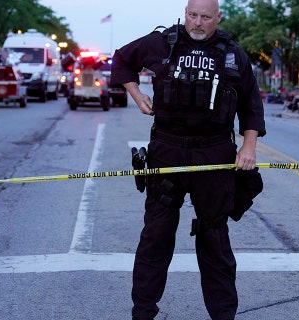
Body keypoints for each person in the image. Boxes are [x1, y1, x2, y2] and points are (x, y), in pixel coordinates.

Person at [110, 0, 266, 319]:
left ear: (218, 18)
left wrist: (248, 147)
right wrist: (137, 95)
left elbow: (251, 105)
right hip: (167, 151)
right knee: (156, 235)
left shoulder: (233, 54)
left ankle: (223, 315)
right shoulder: (162, 43)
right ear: (185, 14)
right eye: (192, 15)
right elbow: (122, 60)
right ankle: (142, 312)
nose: (197, 22)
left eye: (205, 17)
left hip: (215, 153)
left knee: (214, 239)